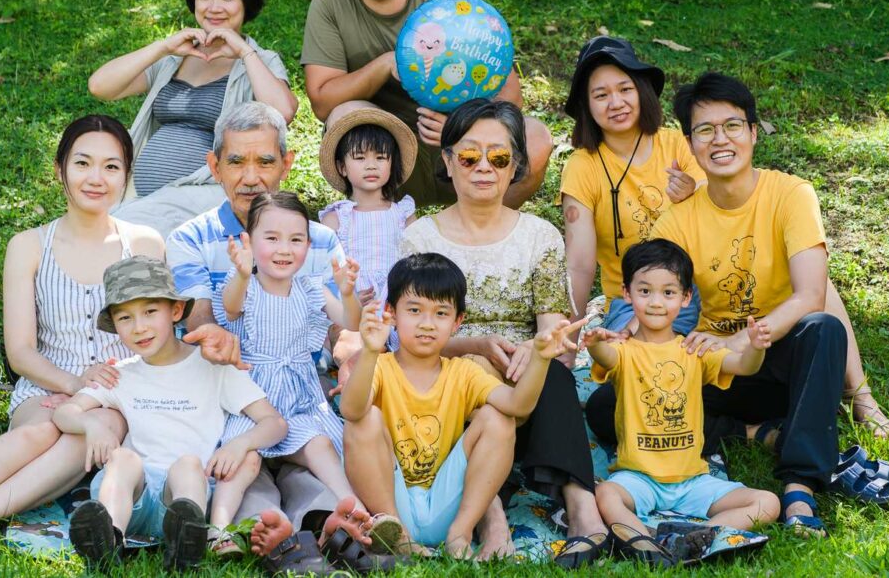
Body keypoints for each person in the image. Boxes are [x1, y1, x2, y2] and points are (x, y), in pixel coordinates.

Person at [0, 116, 241, 556]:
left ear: (126, 175)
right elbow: (20, 351)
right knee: (40, 433)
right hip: (47, 383)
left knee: (87, 430)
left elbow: (162, 326)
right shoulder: (29, 245)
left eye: (111, 167)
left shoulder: (144, 243)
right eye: (82, 163)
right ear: (60, 169)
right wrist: (71, 384)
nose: (96, 178)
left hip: (119, 391)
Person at [594, 72, 889, 537]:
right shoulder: (677, 219)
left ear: (753, 133)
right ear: (691, 145)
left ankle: (799, 487)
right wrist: (627, 336)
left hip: (783, 362)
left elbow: (811, 294)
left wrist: (741, 338)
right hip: (720, 368)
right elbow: (652, 294)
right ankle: (759, 433)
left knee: (823, 328)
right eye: (705, 130)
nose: (720, 139)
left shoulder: (791, 194)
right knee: (605, 406)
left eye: (732, 126)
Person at [398, 99, 608, 565]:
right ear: (447, 160)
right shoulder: (420, 238)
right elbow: (411, 334)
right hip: (448, 366)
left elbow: (552, 322)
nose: (484, 168)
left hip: (521, 368)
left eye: (498, 157)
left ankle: (583, 508)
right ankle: (490, 515)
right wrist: (474, 347)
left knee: (554, 373)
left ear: (515, 166)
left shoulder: (539, 235)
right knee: (463, 375)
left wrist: (534, 349)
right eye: (469, 156)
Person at [301, 0, 552, 209]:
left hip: (464, 152)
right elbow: (324, 103)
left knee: (536, 137)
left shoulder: (453, 5)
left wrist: (461, 127)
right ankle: (381, 225)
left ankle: (483, 226)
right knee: (346, 115)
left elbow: (511, 97)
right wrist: (387, 64)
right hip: (388, 158)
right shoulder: (331, 3)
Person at [164, 101, 347, 534]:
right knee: (244, 466)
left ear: (286, 163)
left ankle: (327, 523)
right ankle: (264, 530)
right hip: (232, 388)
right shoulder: (191, 238)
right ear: (215, 167)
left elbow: (340, 326)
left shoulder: (318, 240)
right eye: (236, 162)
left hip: (303, 386)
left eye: (264, 161)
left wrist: (351, 352)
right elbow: (201, 319)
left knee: (316, 457)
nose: (250, 177)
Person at [341, 253, 588, 559]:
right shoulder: (379, 367)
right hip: (390, 504)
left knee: (499, 418)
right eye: (414, 310)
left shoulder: (463, 372)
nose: (427, 324)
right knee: (366, 418)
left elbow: (517, 405)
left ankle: (460, 534)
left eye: (441, 313)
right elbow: (351, 412)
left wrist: (540, 358)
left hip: (447, 501)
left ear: (458, 321)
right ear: (390, 312)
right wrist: (369, 351)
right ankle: (400, 538)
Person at [56, 256, 288, 570]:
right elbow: (65, 412)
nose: (139, 328)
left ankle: (185, 544)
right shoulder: (120, 374)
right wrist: (91, 425)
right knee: (122, 459)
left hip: (187, 493)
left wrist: (240, 443)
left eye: (150, 312)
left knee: (189, 465)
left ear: (176, 311)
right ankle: (109, 539)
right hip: (132, 496)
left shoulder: (212, 367)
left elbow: (274, 423)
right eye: (125, 318)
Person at [582, 239, 780, 565]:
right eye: (644, 291)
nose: (656, 302)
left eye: (668, 292)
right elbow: (606, 356)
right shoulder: (624, 351)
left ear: (686, 298)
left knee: (768, 502)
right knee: (605, 494)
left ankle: (693, 537)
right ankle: (646, 540)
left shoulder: (694, 350)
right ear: (627, 294)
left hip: (692, 481)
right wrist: (594, 343)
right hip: (639, 478)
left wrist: (756, 347)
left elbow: (744, 366)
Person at [89, 0, 298, 237]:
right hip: (145, 197)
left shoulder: (260, 60)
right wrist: (163, 47)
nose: (214, 7)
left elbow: (283, 112)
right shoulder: (174, 59)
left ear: (246, 2)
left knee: (112, 232)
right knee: (100, 232)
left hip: (208, 192)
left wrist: (243, 51)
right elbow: (100, 86)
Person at [211, 192, 364, 549]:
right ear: (250, 241)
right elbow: (230, 308)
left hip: (299, 400)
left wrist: (347, 292)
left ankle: (356, 509)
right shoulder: (245, 286)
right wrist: (241, 271)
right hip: (254, 401)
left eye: (296, 240)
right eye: (272, 238)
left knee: (321, 445)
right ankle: (217, 531)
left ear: (309, 246)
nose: (284, 249)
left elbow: (352, 321)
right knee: (245, 460)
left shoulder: (310, 288)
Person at [559, 36, 704, 334]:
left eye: (625, 89)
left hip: (698, 290)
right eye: (601, 95)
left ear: (642, 90)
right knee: (644, 348)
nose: (616, 103)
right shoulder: (582, 166)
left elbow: (721, 207)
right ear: (587, 105)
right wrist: (567, 344)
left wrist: (693, 192)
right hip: (632, 301)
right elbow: (580, 264)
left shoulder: (678, 144)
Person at [317, 100, 419, 308]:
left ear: (392, 163)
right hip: (351, 309)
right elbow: (322, 274)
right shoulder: (335, 219)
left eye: (380, 157)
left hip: (399, 305)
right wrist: (347, 300)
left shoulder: (403, 214)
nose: (371, 165)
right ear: (342, 167)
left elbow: (418, 265)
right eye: (360, 157)